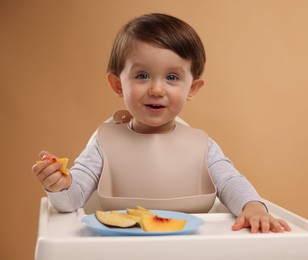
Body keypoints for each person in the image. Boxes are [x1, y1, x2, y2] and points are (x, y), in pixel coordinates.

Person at [32, 13, 291, 233]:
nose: (157, 89)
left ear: (193, 88)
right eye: (142, 75)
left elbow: (230, 182)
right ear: (117, 84)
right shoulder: (104, 143)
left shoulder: (202, 146)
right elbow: (72, 200)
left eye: (172, 77)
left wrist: (253, 206)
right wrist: (60, 185)